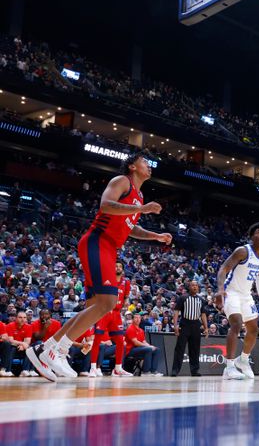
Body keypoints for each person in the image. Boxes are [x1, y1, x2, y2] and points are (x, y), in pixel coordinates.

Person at [27, 153, 171, 382]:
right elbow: (105, 206)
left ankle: (47, 350)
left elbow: (129, 228)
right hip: (98, 240)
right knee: (107, 303)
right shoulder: (122, 181)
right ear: (133, 166)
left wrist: (155, 236)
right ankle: (56, 349)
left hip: (110, 247)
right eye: (145, 162)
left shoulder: (139, 195)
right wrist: (142, 209)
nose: (149, 166)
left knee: (95, 306)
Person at [214, 222, 259, 380]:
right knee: (237, 324)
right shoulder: (242, 251)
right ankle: (229, 367)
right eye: (258, 232)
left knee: (253, 329)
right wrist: (220, 289)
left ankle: (243, 360)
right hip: (231, 292)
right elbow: (223, 269)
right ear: (252, 236)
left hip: (246, 295)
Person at [89, 262, 132, 377]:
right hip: (104, 312)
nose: (117, 268)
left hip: (117, 314)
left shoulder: (126, 282)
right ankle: (93, 367)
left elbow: (126, 296)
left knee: (120, 342)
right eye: (116, 266)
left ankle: (118, 368)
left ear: (122, 269)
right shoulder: (106, 279)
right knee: (97, 340)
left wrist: (126, 301)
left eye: (120, 267)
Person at [171, 281, 207, 377]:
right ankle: (175, 370)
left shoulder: (201, 299)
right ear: (189, 287)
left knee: (195, 349)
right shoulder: (183, 298)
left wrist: (206, 328)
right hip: (185, 324)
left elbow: (203, 314)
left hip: (196, 325)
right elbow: (176, 311)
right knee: (180, 349)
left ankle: (194, 371)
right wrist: (175, 325)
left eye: (196, 285)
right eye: (193, 285)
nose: (195, 287)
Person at [5, 311, 34, 376]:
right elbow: (10, 341)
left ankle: (25, 370)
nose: (23, 319)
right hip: (12, 347)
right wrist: (22, 343)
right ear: (16, 318)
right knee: (12, 348)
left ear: (26, 319)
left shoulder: (29, 327)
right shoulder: (10, 326)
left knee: (30, 349)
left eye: (24, 317)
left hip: (22, 348)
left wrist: (23, 345)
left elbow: (27, 341)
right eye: (20, 317)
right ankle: (8, 370)